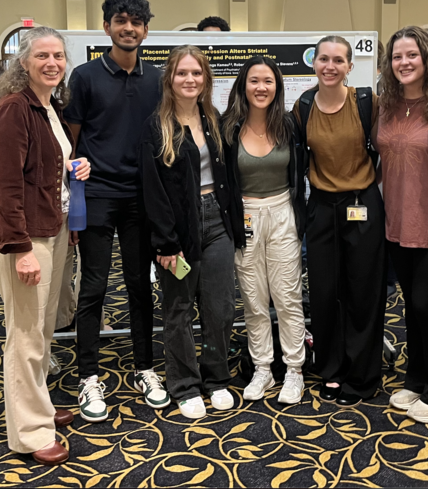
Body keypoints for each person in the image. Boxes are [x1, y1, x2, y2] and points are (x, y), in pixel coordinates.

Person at [0, 26, 91, 465]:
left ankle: (39, 405)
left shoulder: (48, 107)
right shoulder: (12, 109)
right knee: (25, 334)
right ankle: (29, 431)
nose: (52, 63)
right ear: (23, 62)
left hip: (53, 227)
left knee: (43, 329)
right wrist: (19, 247)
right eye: (42, 55)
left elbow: (44, 166)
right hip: (24, 236)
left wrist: (72, 168)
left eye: (59, 56)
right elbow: (3, 186)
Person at [64, 0, 168, 422]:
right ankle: (89, 375)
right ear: (107, 26)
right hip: (98, 197)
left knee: (141, 288)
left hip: (141, 198)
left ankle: (145, 367)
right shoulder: (85, 76)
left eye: (137, 22)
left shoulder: (157, 79)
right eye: (120, 20)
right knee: (93, 288)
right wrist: (70, 192)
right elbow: (70, 139)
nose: (129, 28)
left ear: (146, 29)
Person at [140, 45, 239, 419]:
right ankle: (184, 384)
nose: (189, 79)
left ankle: (216, 379)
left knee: (220, 307)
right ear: (170, 78)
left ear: (206, 79)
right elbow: (153, 191)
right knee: (178, 309)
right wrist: (165, 242)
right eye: (182, 73)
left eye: (196, 73)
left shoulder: (213, 118)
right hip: (178, 228)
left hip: (217, 223)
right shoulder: (156, 127)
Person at [293, 35, 386, 408]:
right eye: (323, 59)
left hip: (362, 205)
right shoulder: (302, 108)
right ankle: (331, 368)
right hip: (322, 208)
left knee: (363, 294)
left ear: (350, 66)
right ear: (313, 63)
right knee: (325, 293)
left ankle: (362, 374)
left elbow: (388, 149)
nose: (329, 66)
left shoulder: (367, 103)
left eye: (338, 60)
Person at [376, 26, 428, 423]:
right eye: (396, 57)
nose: (404, 63)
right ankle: (416, 377)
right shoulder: (386, 104)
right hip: (395, 221)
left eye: (411, 55)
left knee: (426, 305)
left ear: (427, 58)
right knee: (411, 307)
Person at [222, 56, 307, 404]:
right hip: (245, 218)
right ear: (244, 84)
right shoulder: (228, 127)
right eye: (254, 80)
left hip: (282, 213)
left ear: (278, 86)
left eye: (268, 81)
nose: (261, 87)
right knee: (254, 301)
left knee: (287, 297)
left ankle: (295, 371)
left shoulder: (289, 125)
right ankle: (262, 368)